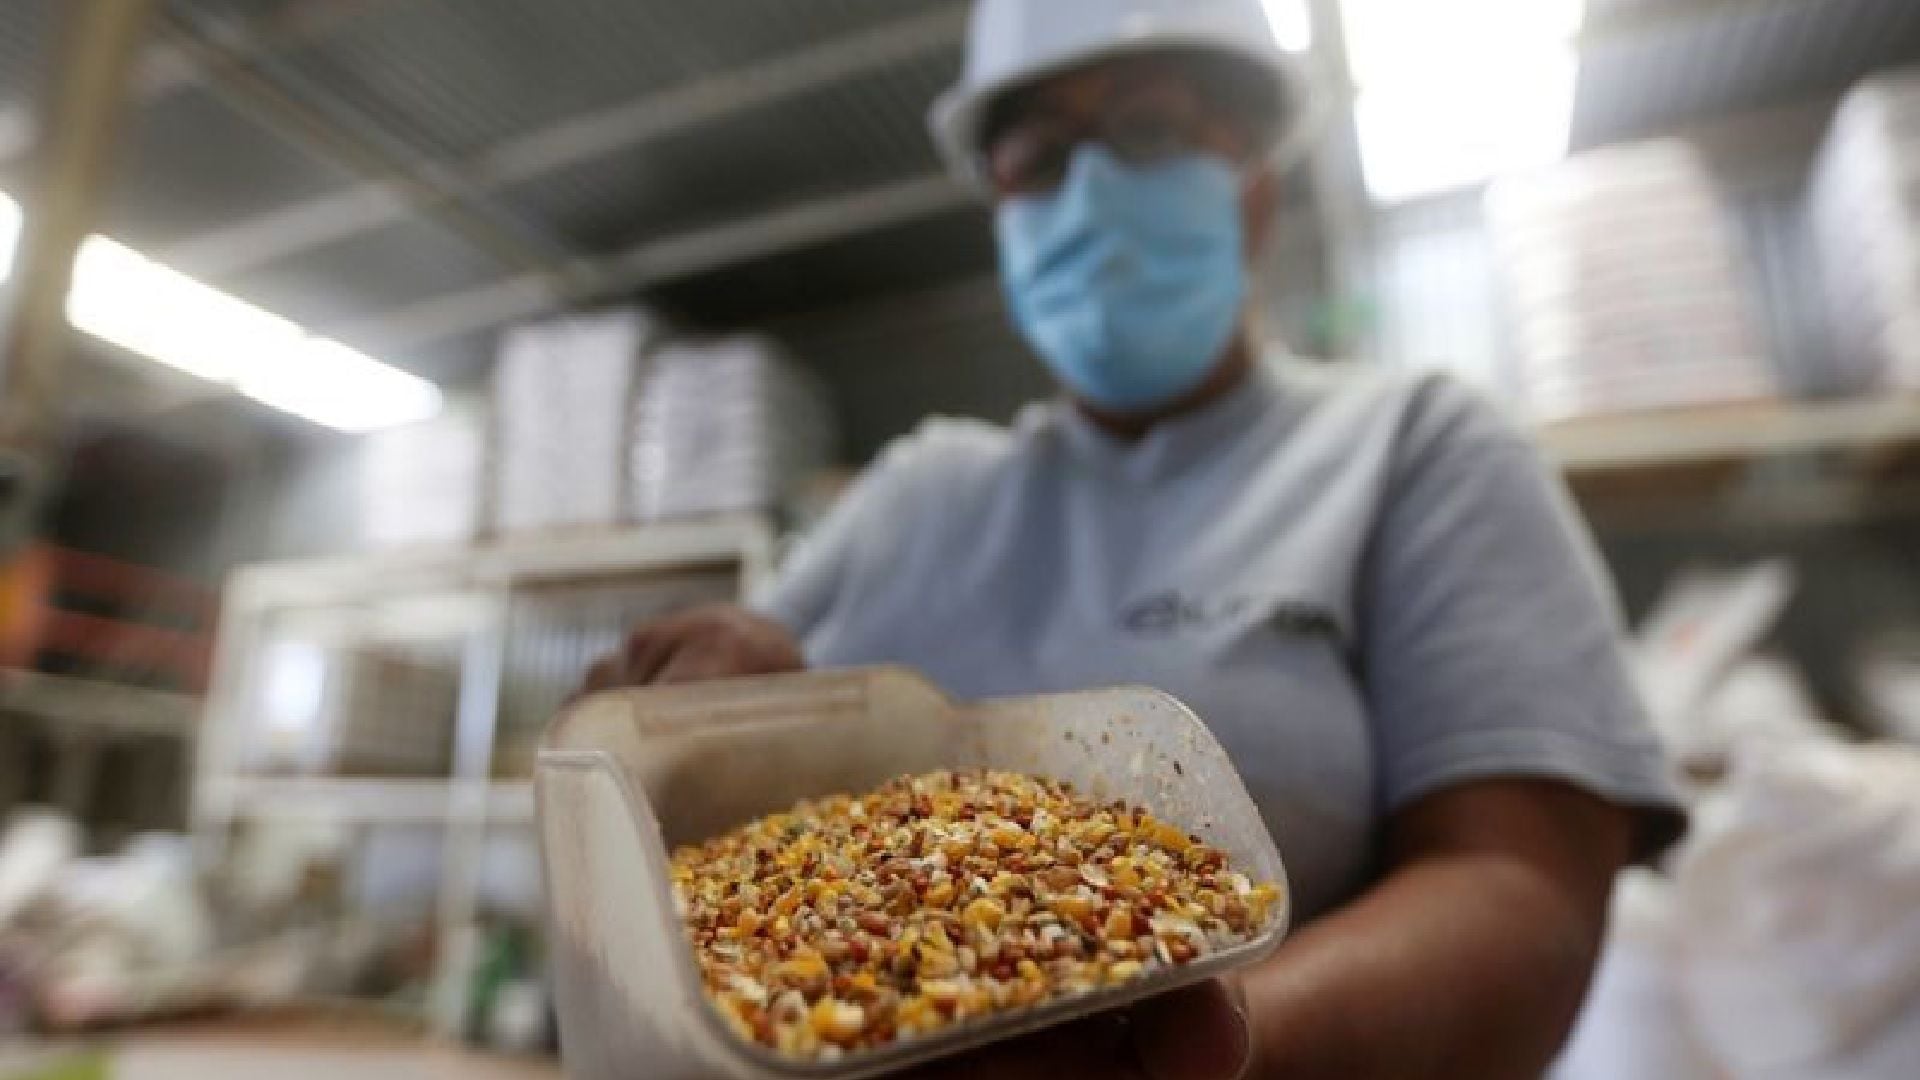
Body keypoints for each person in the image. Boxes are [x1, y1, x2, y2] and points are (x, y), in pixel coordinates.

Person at [583, 1, 1683, 1076]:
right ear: (1004, 220)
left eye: (1151, 127)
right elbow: (722, 756)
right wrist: (698, 711)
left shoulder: (1414, 449)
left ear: (1254, 189)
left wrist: (1207, 1044)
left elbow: (1519, 894)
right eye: (1038, 156)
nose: (1093, 192)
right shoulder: (922, 488)